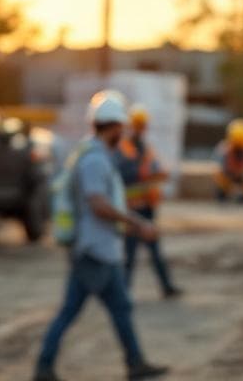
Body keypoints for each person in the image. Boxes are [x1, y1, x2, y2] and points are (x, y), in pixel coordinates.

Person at [34, 92, 168, 381]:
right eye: (121, 127)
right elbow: (98, 204)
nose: (124, 133)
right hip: (93, 252)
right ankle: (43, 367)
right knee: (71, 311)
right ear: (114, 127)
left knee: (120, 309)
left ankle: (135, 363)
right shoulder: (94, 160)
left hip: (102, 250)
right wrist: (137, 223)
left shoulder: (94, 154)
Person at [115, 104, 181, 298]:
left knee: (155, 251)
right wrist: (149, 178)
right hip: (131, 210)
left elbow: (151, 169)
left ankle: (167, 286)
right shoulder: (123, 150)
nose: (140, 128)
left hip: (148, 208)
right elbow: (127, 177)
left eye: (142, 125)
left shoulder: (144, 147)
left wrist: (159, 174)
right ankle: (123, 291)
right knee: (130, 254)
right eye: (137, 125)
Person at [213, 118, 243, 203]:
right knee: (221, 176)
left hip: (240, 174)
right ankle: (223, 194)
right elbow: (221, 164)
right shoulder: (225, 149)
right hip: (227, 174)